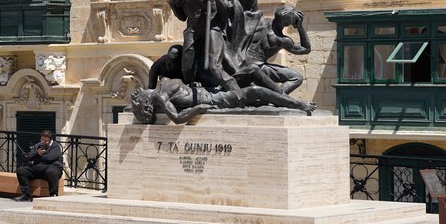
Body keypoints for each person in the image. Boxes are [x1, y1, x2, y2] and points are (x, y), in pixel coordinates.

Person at [129, 77, 315, 126]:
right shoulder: (162, 98)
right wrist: (199, 108)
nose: (137, 92)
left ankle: (283, 102)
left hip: (211, 90)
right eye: (138, 97)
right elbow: (177, 119)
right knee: (254, 91)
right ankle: (300, 104)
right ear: (146, 103)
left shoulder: (164, 81)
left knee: (252, 86)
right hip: (214, 99)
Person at [14, 130, 63, 202]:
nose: (44, 142)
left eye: (46, 141)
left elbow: (49, 158)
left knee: (52, 171)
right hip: (38, 168)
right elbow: (29, 157)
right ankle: (26, 194)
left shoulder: (55, 146)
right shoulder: (37, 146)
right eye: (42, 140)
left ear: (50, 140)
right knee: (21, 171)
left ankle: (53, 194)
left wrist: (37, 156)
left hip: (50, 167)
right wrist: (37, 154)